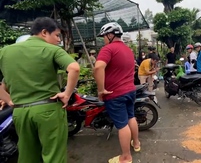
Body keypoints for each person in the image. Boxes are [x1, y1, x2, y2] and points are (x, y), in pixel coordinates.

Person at [0, 17, 80, 163]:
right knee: (54, 156)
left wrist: (8, 100)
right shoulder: (52, 50)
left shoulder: (5, 51)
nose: (58, 40)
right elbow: (74, 68)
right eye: (56, 35)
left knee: (27, 156)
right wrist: (67, 94)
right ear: (44, 32)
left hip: (20, 112)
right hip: (48, 110)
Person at [94, 22, 140, 163]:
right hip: (130, 91)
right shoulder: (127, 49)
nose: (104, 39)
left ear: (110, 35)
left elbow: (98, 68)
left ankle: (126, 157)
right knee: (131, 117)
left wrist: (101, 90)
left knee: (122, 125)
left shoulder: (108, 49)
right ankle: (136, 144)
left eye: (104, 36)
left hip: (115, 93)